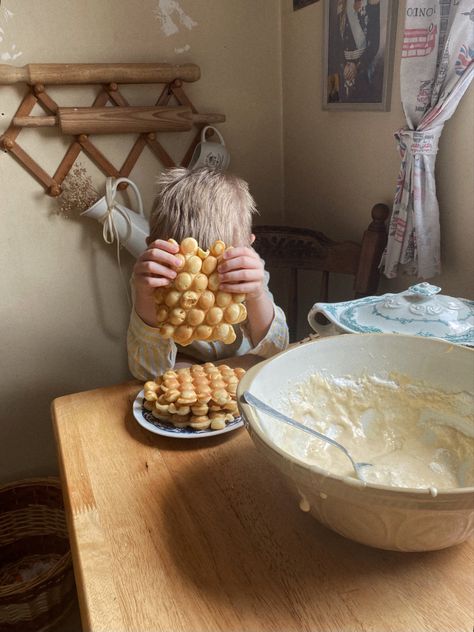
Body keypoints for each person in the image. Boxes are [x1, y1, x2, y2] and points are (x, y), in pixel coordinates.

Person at [127, 167, 289, 380]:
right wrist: (146, 297)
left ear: (247, 247)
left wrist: (257, 294)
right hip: (181, 361)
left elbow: (277, 351)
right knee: (176, 375)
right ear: (153, 249)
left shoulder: (248, 274)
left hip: (241, 364)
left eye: (219, 267)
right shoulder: (152, 282)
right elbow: (147, 372)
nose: (205, 284)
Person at [328, 0, 381, 103]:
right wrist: (344, 65)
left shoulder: (371, 2)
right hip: (345, 72)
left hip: (364, 69)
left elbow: (374, 43)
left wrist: (357, 66)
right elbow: (336, 42)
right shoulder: (342, 4)